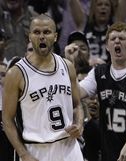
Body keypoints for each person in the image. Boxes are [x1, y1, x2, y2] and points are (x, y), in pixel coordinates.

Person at [2, 14, 84, 161]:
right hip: (36, 150)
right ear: (29, 36)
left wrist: (79, 124)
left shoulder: (68, 66)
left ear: (55, 36)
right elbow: (7, 120)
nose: (41, 37)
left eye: (46, 32)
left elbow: (77, 105)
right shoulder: (16, 74)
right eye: (36, 32)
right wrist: (23, 154)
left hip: (69, 147)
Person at [79, 22, 126, 161]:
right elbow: (76, 93)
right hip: (110, 151)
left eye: (122, 38)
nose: (117, 41)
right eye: (113, 39)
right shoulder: (99, 72)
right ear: (107, 46)